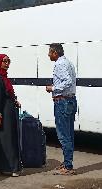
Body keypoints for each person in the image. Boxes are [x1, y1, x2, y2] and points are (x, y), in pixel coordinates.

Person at [46, 43, 77, 175]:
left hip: (62, 101)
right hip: (69, 100)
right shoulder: (68, 63)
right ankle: (67, 162)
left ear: (55, 53)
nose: (48, 55)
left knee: (63, 135)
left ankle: (68, 166)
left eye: (50, 52)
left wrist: (52, 88)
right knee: (68, 134)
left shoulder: (60, 64)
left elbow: (67, 81)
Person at [0, 54, 21, 176]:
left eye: (9, 61)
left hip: (8, 113)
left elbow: (8, 94)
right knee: (6, 140)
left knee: (8, 139)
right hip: (3, 115)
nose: (7, 63)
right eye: (4, 61)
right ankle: (10, 168)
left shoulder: (3, 77)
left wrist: (14, 100)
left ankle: (3, 167)